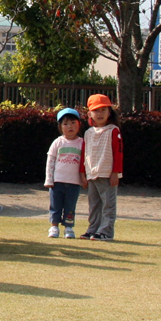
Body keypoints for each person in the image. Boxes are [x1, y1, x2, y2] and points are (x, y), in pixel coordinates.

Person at [81, 93, 123, 241]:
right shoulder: (88, 133)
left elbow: (118, 153)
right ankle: (93, 229)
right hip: (92, 173)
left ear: (109, 112)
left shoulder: (113, 130)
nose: (99, 114)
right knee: (94, 204)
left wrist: (115, 172)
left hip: (107, 174)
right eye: (96, 110)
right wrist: (82, 174)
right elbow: (84, 154)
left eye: (103, 110)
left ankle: (106, 231)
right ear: (89, 113)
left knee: (108, 205)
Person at [44, 107, 86, 239]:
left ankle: (68, 227)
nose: (70, 126)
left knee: (70, 206)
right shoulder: (58, 142)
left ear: (79, 124)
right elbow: (50, 162)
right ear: (60, 127)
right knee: (55, 205)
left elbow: (85, 163)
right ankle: (54, 226)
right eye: (66, 124)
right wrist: (49, 179)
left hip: (74, 182)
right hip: (57, 182)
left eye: (73, 123)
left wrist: (84, 178)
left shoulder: (82, 143)